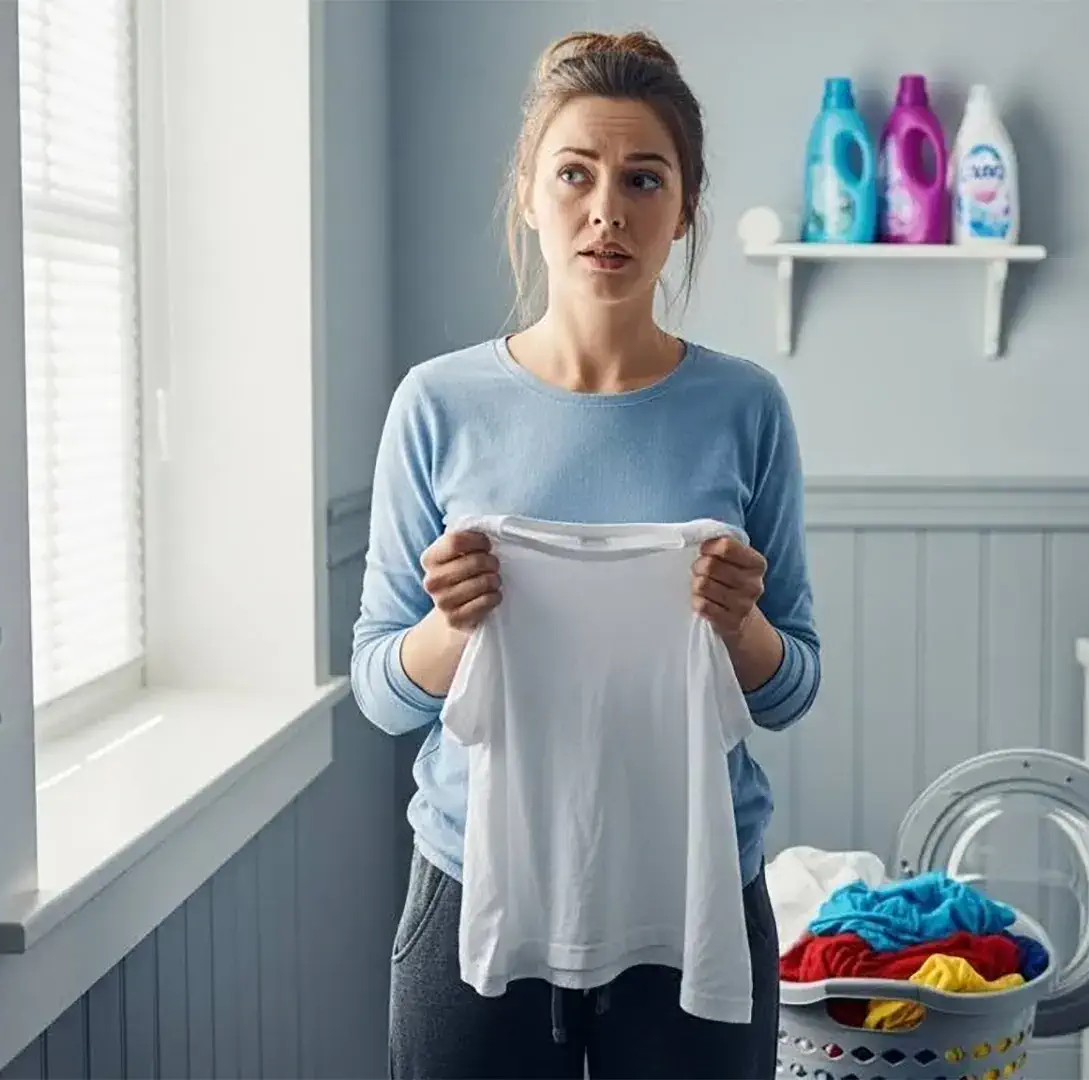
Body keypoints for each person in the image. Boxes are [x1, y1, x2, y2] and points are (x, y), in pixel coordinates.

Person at [349, 29, 821, 1080]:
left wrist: (742, 627)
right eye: (575, 173)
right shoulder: (437, 404)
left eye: (644, 179)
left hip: (696, 891)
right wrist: (448, 626)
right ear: (528, 191)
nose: (607, 208)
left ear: (684, 210)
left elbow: (792, 690)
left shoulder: (746, 408)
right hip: (477, 885)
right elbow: (381, 694)